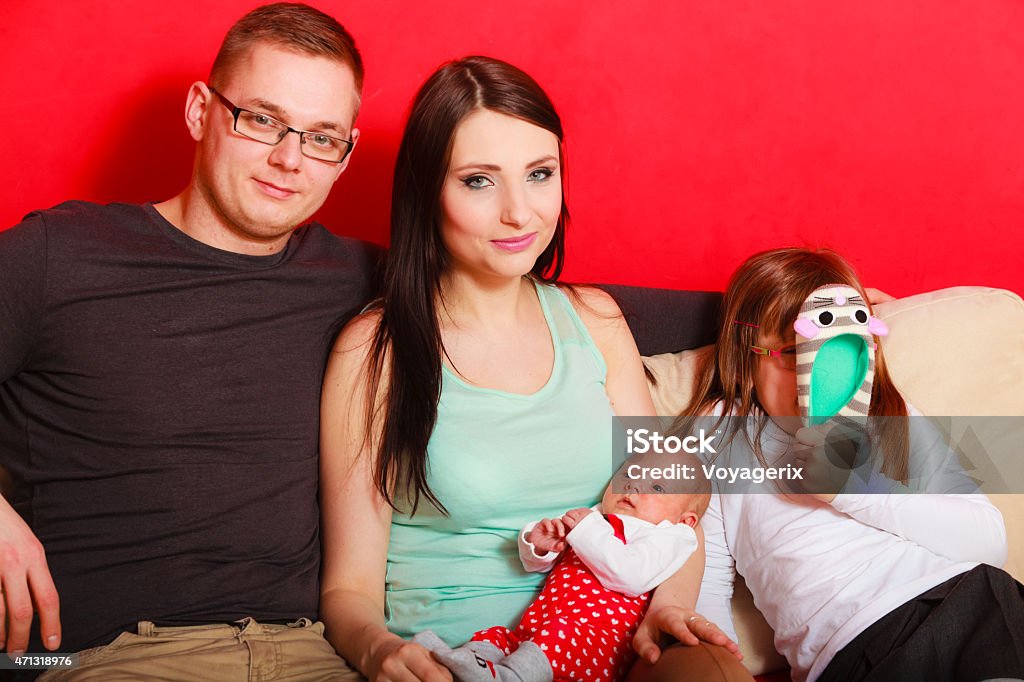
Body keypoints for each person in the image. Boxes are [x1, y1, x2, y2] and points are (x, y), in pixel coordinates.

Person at [319, 56, 739, 682]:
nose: (520, 213)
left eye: (539, 174)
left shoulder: (595, 320)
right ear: (425, 191)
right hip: (463, 657)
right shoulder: (374, 350)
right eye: (479, 181)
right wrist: (379, 649)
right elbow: (346, 590)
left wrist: (670, 610)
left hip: (620, 652)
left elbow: (677, 508)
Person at [0, 4, 377, 679]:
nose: (289, 159)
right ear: (201, 111)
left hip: (311, 653)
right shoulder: (62, 256)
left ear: (345, 153)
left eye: (321, 137)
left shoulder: (364, 282)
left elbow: (600, 326)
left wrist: (639, 482)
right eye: (262, 120)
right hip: (110, 655)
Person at [675, 247, 1024, 681]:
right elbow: (705, 570)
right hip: (846, 651)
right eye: (792, 353)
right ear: (747, 361)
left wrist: (854, 489)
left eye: (835, 353)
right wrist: (721, 661)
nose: (814, 375)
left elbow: (989, 541)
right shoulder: (722, 430)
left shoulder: (890, 415)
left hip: (965, 600)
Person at [415, 463, 712, 682]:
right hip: (536, 630)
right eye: (631, 474)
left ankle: (504, 677)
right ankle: (457, 665)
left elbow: (630, 575)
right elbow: (537, 565)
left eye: (657, 488)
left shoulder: (670, 536)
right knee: (498, 637)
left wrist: (585, 529)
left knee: (558, 638)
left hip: (595, 643)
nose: (635, 486)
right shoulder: (596, 516)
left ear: (686, 519)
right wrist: (540, 545)